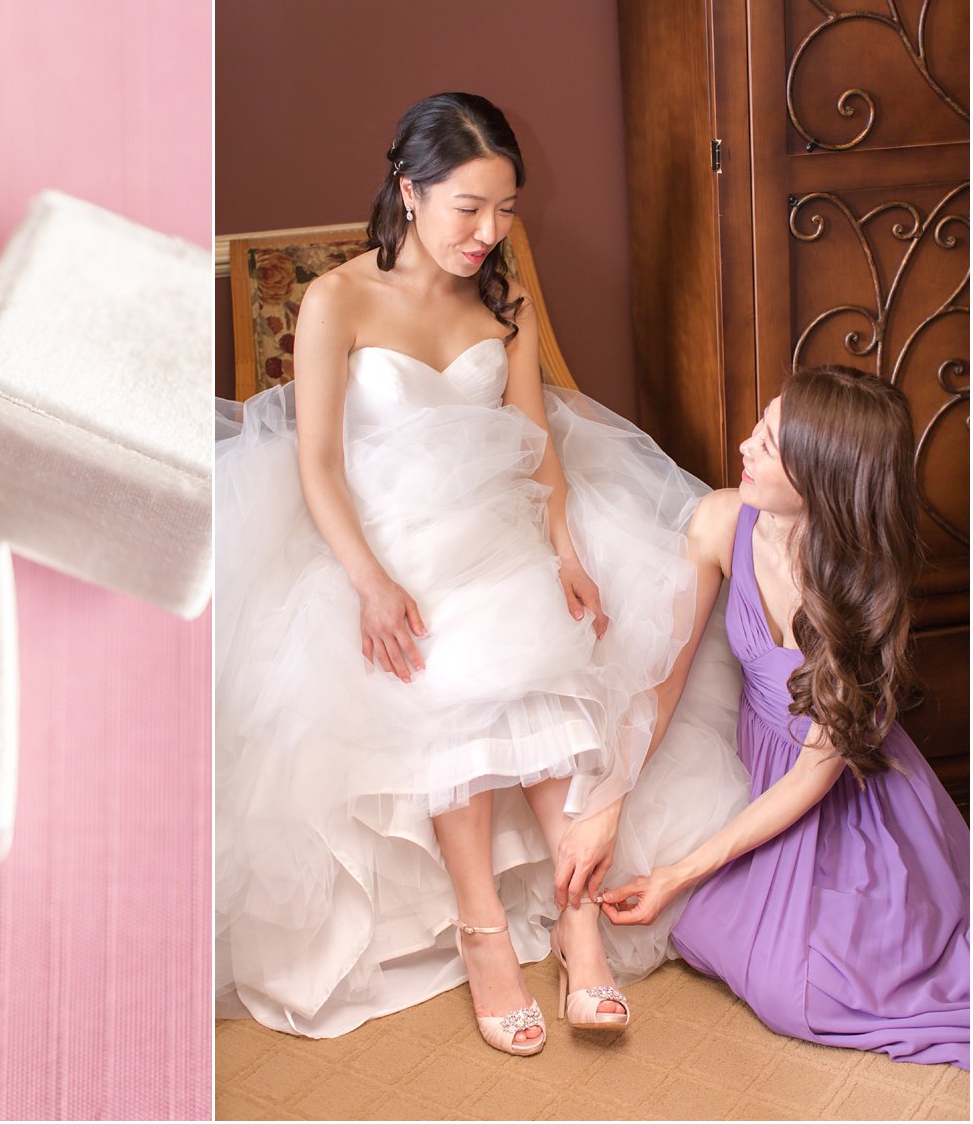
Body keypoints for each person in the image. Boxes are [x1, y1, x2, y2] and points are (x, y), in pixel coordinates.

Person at [214, 92, 748, 1050]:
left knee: (543, 629)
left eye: (505, 210)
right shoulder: (337, 299)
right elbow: (319, 464)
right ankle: (485, 934)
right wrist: (372, 581)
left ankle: (575, 921)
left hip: (497, 523)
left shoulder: (505, 299)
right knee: (455, 645)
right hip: (377, 534)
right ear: (409, 191)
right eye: (469, 208)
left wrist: (569, 553)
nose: (488, 233)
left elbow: (537, 444)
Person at [593, 365, 970, 1070]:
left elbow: (812, 778)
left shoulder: (857, 588)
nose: (744, 446)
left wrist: (678, 873)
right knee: (716, 939)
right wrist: (606, 800)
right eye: (760, 427)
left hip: (846, 796)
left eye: (769, 445)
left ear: (821, 481)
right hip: (759, 769)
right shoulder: (720, 521)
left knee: (801, 991)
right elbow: (662, 683)